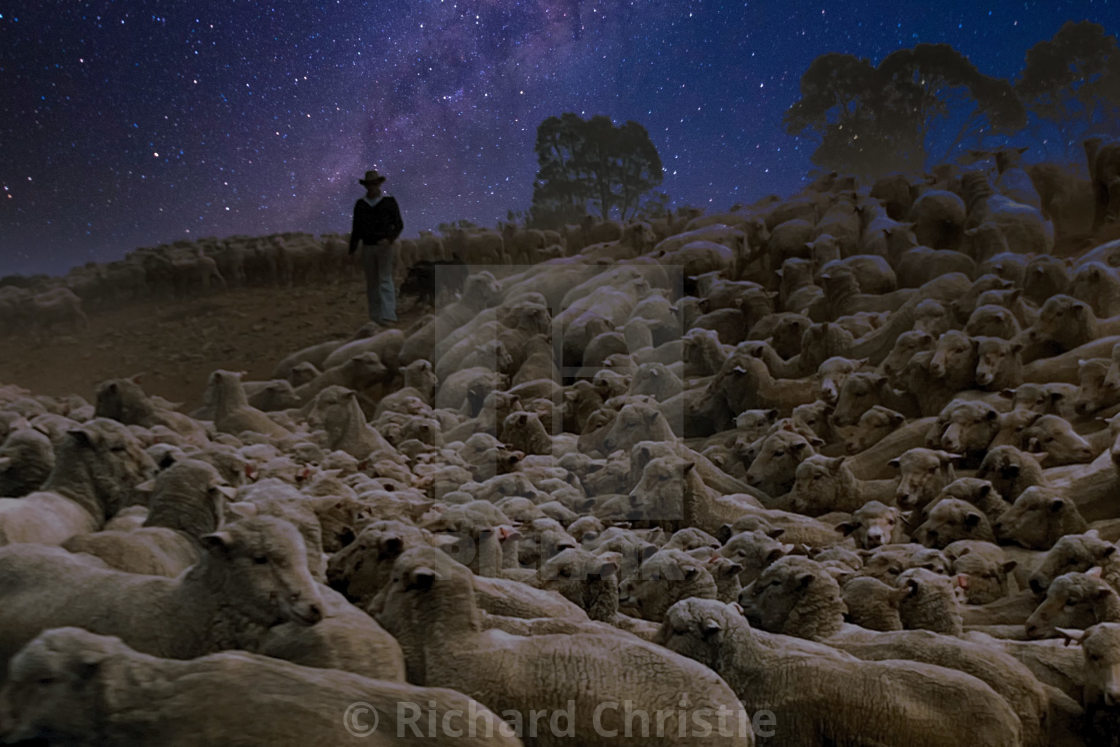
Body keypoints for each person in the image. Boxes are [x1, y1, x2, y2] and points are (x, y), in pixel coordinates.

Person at [348, 169, 404, 325]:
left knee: (385, 280)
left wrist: (390, 239)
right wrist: (352, 249)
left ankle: (388, 315)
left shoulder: (389, 201)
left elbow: (398, 224)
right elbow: (356, 228)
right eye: (369, 184)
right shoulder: (361, 205)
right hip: (367, 247)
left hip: (384, 246)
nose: (371, 187)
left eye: (374, 184)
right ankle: (375, 317)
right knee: (372, 282)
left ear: (378, 184)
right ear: (365, 186)